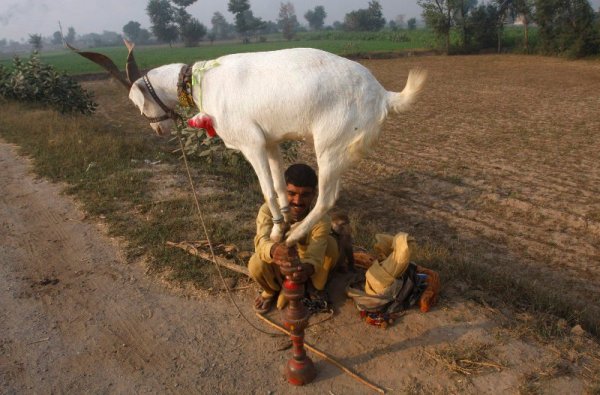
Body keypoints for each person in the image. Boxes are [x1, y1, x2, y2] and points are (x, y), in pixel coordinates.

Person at [248, 163, 339, 314]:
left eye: (305, 195)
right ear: (282, 191)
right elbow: (261, 242)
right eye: (291, 193)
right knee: (255, 263)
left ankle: (315, 287)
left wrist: (305, 270)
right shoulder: (269, 210)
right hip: (278, 262)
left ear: (314, 194)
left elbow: (315, 256)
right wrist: (275, 250)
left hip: (303, 265)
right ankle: (271, 291)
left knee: (331, 246)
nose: (297, 201)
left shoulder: (321, 218)